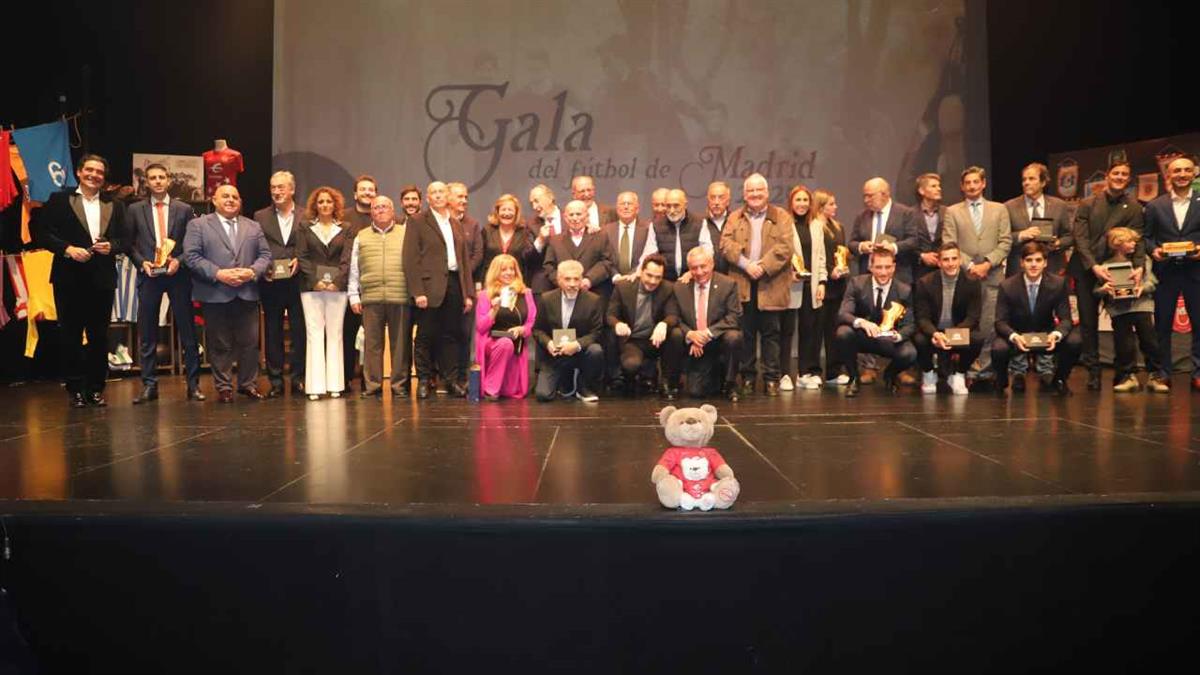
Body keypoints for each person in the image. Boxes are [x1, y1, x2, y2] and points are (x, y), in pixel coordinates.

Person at [32, 154, 129, 408]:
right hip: (68, 278)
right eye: (90, 170)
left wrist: (113, 246)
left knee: (98, 337)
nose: (94, 175)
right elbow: (42, 233)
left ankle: (96, 389)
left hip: (102, 279)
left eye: (99, 172)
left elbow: (126, 240)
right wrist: (67, 249)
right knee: (70, 336)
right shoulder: (59, 199)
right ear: (79, 172)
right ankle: (74, 389)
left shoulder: (115, 204)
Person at [183, 184, 271, 403]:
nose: (231, 200)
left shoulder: (253, 226)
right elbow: (191, 257)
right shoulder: (198, 225)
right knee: (220, 343)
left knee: (250, 343)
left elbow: (265, 255)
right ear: (214, 200)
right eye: (226, 196)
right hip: (215, 292)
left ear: (240, 202)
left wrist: (252, 271)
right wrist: (218, 273)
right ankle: (223, 387)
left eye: (235, 196)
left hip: (247, 292)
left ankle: (248, 385)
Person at [127, 163, 202, 403]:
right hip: (149, 275)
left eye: (162, 177)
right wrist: (141, 263)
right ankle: (149, 385)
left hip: (177, 275)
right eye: (153, 178)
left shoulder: (184, 209)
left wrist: (179, 261)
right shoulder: (134, 209)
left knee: (188, 332)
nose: (158, 181)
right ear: (146, 182)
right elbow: (128, 243)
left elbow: (192, 244)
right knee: (147, 331)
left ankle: (193, 385)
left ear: (168, 181)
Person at [1069, 159, 1144, 390]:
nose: (1120, 177)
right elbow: (1079, 239)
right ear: (1108, 176)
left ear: (1128, 179)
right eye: (1116, 173)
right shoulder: (1088, 203)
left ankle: (1124, 372)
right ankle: (1093, 372)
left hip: (1118, 269)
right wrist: (1093, 266)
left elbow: (1138, 239)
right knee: (1089, 324)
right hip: (1087, 270)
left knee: (1122, 321)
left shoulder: (1133, 207)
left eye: (1124, 174)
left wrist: (1139, 265)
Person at [719, 173, 794, 396]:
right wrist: (746, 264)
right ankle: (748, 377)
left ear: (767, 193)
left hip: (771, 284)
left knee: (771, 335)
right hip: (742, 284)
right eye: (750, 191)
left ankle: (771, 378)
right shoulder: (734, 217)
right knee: (746, 334)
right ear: (744, 194)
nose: (754, 195)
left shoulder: (782, 216)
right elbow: (725, 244)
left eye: (758, 190)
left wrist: (761, 266)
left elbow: (785, 247)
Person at [404, 181, 475, 399]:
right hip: (429, 287)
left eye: (441, 192)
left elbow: (463, 261)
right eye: (433, 192)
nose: (438, 195)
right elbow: (410, 259)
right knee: (425, 335)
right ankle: (424, 380)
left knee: (451, 335)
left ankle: (451, 380)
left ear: (448, 196)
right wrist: (418, 291)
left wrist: (467, 293)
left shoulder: (454, 222)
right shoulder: (417, 221)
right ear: (427, 198)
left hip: (454, 284)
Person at [943, 166, 1012, 386]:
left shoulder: (999, 209)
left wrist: (988, 264)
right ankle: (967, 369)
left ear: (983, 184)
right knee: (971, 325)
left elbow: (1006, 241)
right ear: (962, 187)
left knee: (991, 325)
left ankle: (984, 369)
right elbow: (949, 243)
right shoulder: (952, 212)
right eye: (968, 183)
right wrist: (972, 265)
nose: (972, 186)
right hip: (965, 278)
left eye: (976, 182)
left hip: (992, 276)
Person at [992, 241, 1079, 395]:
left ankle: (1059, 380)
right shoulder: (1007, 286)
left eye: (1038, 260)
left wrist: (1055, 335)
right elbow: (1000, 322)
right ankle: (1003, 381)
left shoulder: (1058, 284)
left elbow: (1066, 319)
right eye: (1029, 260)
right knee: (998, 348)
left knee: (1075, 341)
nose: (1033, 265)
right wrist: (1014, 336)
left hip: (1046, 335)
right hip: (1018, 335)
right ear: (1022, 263)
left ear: (1045, 263)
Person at [348, 196, 412, 398]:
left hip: (400, 295)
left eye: (385, 207)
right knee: (372, 345)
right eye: (376, 207)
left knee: (400, 344)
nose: (380, 210)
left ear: (393, 211)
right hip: (371, 297)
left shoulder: (406, 233)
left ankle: (399, 386)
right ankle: (372, 386)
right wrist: (353, 295)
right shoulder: (361, 236)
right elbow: (354, 268)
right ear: (371, 212)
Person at [1145, 155, 1200, 390]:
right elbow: (1146, 237)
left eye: (1187, 170)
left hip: (1195, 271)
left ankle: (1198, 372)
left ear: (1194, 173)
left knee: (1199, 323)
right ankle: (1163, 371)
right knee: (1163, 325)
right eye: (1177, 171)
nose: (1182, 175)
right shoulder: (1155, 205)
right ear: (1169, 175)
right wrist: (1154, 251)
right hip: (1165, 272)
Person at [834, 248, 917, 397]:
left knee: (909, 353)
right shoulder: (856, 283)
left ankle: (890, 375)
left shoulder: (904, 290)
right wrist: (862, 323)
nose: (883, 272)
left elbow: (910, 324)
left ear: (894, 267)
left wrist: (897, 336)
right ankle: (854, 378)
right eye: (878, 267)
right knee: (843, 333)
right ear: (870, 267)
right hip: (863, 336)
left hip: (888, 340)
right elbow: (843, 313)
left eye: (887, 267)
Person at [253, 170, 306, 397]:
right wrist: (262, 268)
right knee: (272, 332)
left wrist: (299, 259)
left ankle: (298, 379)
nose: (276, 191)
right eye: (273, 187)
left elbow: (311, 245)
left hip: (298, 281)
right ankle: (275, 381)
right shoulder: (259, 216)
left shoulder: (307, 214)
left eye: (281, 187)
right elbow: (255, 246)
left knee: (299, 332)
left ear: (292, 189)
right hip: (271, 281)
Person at [1094, 227, 1166, 393]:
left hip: (1141, 306)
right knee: (1123, 343)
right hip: (1119, 309)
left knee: (1149, 340)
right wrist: (1104, 289)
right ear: (1117, 244)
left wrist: (1142, 288)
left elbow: (1152, 282)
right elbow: (1096, 291)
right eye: (1129, 241)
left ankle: (1155, 374)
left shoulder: (1143, 261)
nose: (1134, 244)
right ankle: (1127, 376)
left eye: (1135, 240)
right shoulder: (1106, 266)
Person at [669, 247, 743, 401]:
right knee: (696, 392)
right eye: (694, 268)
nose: (699, 271)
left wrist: (705, 334)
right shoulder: (680, 287)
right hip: (693, 346)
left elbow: (733, 317)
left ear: (712, 264)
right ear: (689, 269)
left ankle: (730, 384)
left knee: (734, 336)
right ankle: (674, 382)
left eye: (703, 266)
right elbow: (674, 317)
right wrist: (690, 334)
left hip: (716, 340)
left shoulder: (728, 284)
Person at [296, 187, 349, 400]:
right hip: (311, 288)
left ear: (335, 205)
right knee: (314, 334)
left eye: (329, 201)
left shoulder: (346, 228)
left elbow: (347, 258)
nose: (325, 205)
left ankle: (335, 384)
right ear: (315, 205)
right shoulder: (305, 227)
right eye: (321, 202)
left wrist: (337, 281)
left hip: (338, 288)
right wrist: (315, 281)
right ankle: (315, 386)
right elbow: (302, 256)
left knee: (335, 334)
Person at [912, 242, 982, 395]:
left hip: (959, 328)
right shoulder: (925, 283)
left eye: (954, 258)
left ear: (960, 260)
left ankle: (959, 374)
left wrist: (952, 334)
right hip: (934, 330)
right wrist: (936, 334)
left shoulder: (972, 282)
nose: (950, 263)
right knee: (918, 339)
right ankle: (929, 373)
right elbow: (922, 318)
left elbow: (973, 317)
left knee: (978, 338)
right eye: (946, 259)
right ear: (939, 262)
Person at [781, 184, 832, 391]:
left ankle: (806, 372)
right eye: (797, 200)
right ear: (791, 203)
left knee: (810, 329)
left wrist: (822, 281)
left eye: (805, 200)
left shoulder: (817, 225)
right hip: (791, 284)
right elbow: (781, 254)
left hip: (812, 286)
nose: (801, 204)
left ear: (810, 203)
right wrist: (788, 273)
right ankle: (784, 374)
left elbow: (821, 257)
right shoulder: (784, 224)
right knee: (787, 331)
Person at [532, 259, 605, 402]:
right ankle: (565, 381)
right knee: (543, 395)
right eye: (567, 279)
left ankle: (583, 387)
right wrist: (548, 343)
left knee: (596, 350)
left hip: (580, 354)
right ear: (559, 280)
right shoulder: (546, 299)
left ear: (582, 280)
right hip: (555, 356)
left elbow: (597, 332)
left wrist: (577, 345)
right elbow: (538, 329)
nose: (572, 284)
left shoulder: (593, 300)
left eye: (576, 279)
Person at [607, 253, 678, 397]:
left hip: (656, 340)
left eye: (658, 277)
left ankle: (666, 382)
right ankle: (638, 375)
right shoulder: (624, 287)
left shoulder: (668, 288)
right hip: (633, 340)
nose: (653, 281)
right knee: (631, 366)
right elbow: (610, 315)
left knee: (676, 334)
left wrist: (664, 324)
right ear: (641, 272)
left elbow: (673, 315)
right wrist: (618, 324)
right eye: (649, 275)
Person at [474, 254, 538, 400]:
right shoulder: (485, 295)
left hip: (517, 343)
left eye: (512, 269)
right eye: (504, 269)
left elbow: (532, 321)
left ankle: (496, 385)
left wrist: (522, 330)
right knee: (505, 343)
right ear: (496, 272)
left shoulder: (526, 293)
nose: (509, 273)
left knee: (510, 392)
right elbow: (481, 327)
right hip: (493, 343)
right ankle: (490, 389)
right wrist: (494, 310)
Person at [810, 190, 851, 386]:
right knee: (816, 328)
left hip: (838, 285)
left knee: (833, 329)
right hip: (822, 284)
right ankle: (814, 370)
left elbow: (840, 254)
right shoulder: (814, 227)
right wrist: (828, 273)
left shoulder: (838, 227)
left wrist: (842, 266)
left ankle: (834, 371)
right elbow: (817, 257)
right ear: (820, 206)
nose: (835, 207)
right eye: (831, 204)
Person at [1004, 162, 1072, 276]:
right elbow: (1002, 238)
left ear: (1043, 182)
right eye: (1024, 179)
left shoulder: (1059, 205)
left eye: (1031, 179)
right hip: (1019, 271)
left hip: (1052, 269)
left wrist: (1057, 243)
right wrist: (1021, 235)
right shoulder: (1008, 206)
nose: (1026, 183)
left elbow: (1069, 236)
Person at [849, 177, 918, 282]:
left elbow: (913, 241)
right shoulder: (862, 216)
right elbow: (851, 243)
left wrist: (893, 247)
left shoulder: (905, 213)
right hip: (867, 277)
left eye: (870, 196)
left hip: (898, 276)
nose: (866, 200)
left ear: (884, 194)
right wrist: (861, 246)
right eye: (865, 196)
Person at [542, 200, 615, 297]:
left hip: (594, 294)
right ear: (565, 217)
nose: (575, 218)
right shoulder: (555, 240)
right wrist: (564, 282)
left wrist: (589, 280)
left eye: (578, 214)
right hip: (563, 296)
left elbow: (607, 262)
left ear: (587, 216)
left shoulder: (600, 237)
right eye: (571, 215)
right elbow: (549, 266)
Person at [481, 193, 538, 283]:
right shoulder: (487, 230)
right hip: (491, 283)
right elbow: (481, 259)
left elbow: (529, 259)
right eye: (503, 210)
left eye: (510, 210)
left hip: (517, 283)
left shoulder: (524, 232)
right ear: (497, 212)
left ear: (516, 213)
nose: (506, 213)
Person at [654, 189, 705, 282]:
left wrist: (692, 272)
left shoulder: (699, 223)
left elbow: (707, 252)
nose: (672, 210)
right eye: (668, 206)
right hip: (665, 282)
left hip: (693, 279)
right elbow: (649, 254)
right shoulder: (655, 226)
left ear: (685, 205)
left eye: (676, 206)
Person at [528, 183, 564, 292]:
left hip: (570, 280)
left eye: (536, 201)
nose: (534, 207)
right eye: (532, 203)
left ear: (550, 197)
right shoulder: (530, 225)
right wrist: (540, 240)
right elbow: (528, 259)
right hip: (543, 284)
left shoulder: (570, 217)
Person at [913, 173, 946, 283]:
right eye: (934, 186)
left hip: (943, 268)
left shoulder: (948, 212)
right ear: (921, 191)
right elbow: (906, 241)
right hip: (919, 270)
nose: (939, 189)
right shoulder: (910, 214)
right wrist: (921, 256)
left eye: (939, 186)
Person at [698, 181, 733, 275]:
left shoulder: (736, 221)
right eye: (713, 197)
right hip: (707, 278)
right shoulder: (699, 223)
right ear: (707, 200)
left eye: (721, 197)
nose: (716, 202)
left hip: (734, 276)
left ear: (728, 201)